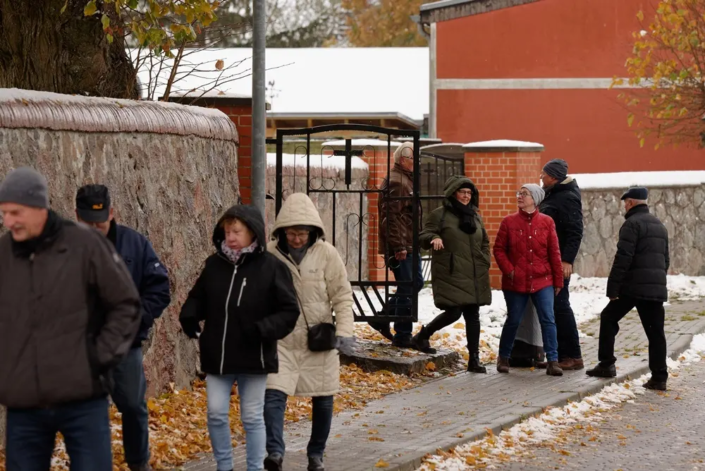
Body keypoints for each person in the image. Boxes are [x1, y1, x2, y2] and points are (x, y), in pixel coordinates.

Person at [0, 167, 141, 471]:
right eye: (4, 213)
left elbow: (126, 304)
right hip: (23, 402)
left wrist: (98, 357)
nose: (7, 221)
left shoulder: (85, 245)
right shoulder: (3, 255)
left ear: (39, 208)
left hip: (82, 397)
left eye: (15, 212)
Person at [179, 205, 300, 471]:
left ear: (252, 232)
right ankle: (224, 466)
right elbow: (199, 297)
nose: (230, 237)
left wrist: (263, 329)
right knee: (215, 413)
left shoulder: (271, 268)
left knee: (252, 416)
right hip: (218, 355)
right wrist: (189, 314)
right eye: (227, 231)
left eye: (236, 231)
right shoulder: (214, 265)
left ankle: (254, 468)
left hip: (254, 356)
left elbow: (289, 311)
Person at [75, 184, 171, 471]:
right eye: (87, 224)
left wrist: (135, 318)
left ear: (112, 213)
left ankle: (138, 462)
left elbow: (160, 289)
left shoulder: (135, 244)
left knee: (132, 406)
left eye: (100, 223)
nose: (94, 229)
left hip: (124, 345)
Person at [263, 193, 355, 471]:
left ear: (312, 231)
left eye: (302, 233)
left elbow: (342, 295)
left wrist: (346, 331)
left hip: (319, 339)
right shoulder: (269, 254)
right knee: (273, 394)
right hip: (282, 339)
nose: (297, 239)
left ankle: (316, 455)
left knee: (324, 398)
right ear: (282, 231)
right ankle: (275, 453)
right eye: (291, 233)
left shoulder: (327, 254)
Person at [586, 187, 670, 391]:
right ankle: (659, 377)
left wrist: (613, 287)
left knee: (608, 317)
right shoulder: (659, 225)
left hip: (632, 287)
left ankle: (606, 364)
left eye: (625, 202)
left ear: (631, 203)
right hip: (654, 289)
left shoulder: (632, 224)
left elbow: (623, 258)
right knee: (656, 333)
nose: (624, 205)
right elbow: (665, 260)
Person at [412, 176, 492, 373]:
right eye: (462, 192)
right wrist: (435, 237)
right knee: (454, 311)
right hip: (452, 270)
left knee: (473, 314)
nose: (466, 196)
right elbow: (423, 236)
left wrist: (485, 260)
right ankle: (424, 335)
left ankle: (474, 359)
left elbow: (484, 242)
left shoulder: (475, 216)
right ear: (453, 193)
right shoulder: (440, 215)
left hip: (474, 272)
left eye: (469, 193)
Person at [493, 184, 564, 376]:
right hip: (516, 281)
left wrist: (558, 281)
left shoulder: (547, 222)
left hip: (543, 279)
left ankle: (553, 360)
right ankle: (504, 356)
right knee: (514, 319)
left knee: (548, 319)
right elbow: (498, 249)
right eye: (519, 193)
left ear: (535, 198)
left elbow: (554, 253)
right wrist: (510, 271)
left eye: (525, 194)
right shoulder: (509, 222)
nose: (520, 196)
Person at [374, 141, 424, 348]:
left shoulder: (405, 179)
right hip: (402, 246)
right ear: (403, 160)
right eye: (414, 159)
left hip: (409, 243)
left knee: (414, 285)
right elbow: (390, 218)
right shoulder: (397, 182)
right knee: (408, 286)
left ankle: (383, 317)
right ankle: (402, 335)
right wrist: (398, 246)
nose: (417, 163)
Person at [539, 159, 584, 370]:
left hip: (559, 263)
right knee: (554, 306)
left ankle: (573, 356)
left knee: (560, 306)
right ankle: (559, 354)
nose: (541, 177)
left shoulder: (567, 197)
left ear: (554, 177)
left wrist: (567, 260)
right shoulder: (554, 194)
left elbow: (575, 231)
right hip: (549, 260)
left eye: (544, 174)